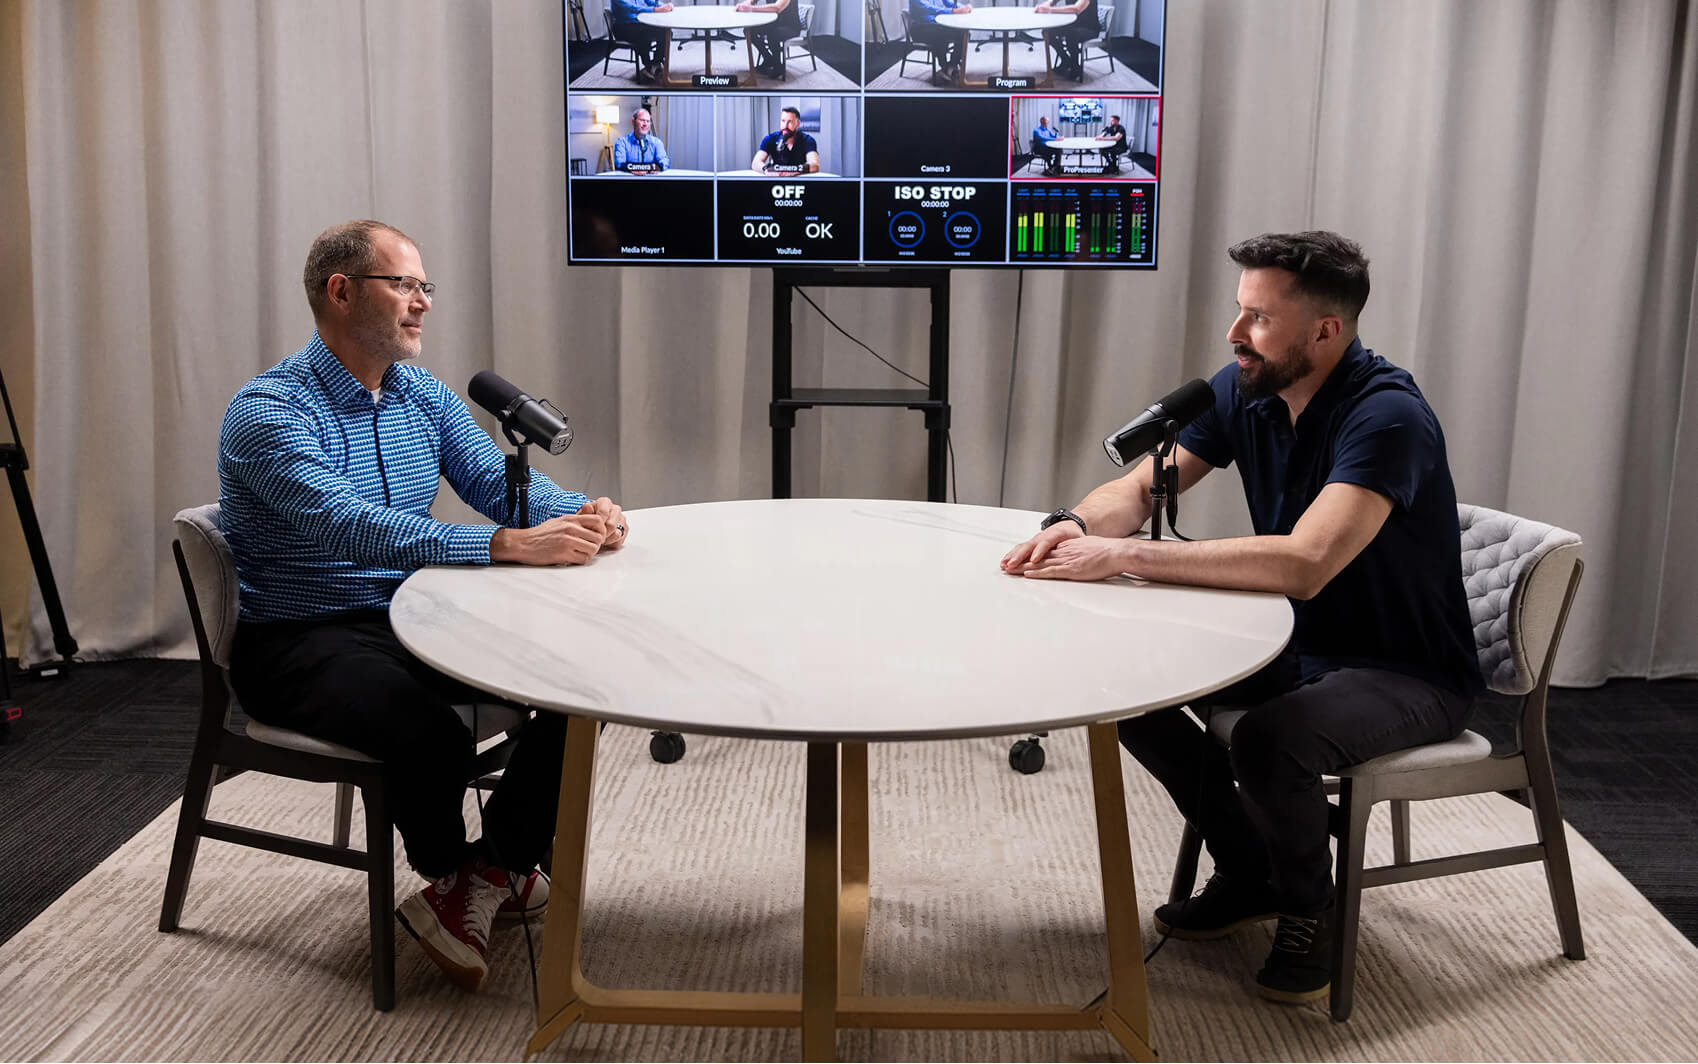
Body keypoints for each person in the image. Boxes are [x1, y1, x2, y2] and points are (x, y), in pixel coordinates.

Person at [1000, 231, 1482, 1005]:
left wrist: (1125, 558)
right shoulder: (1245, 388)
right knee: (1124, 689)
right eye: (1239, 311)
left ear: (1324, 331)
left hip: (1404, 669)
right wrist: (1079, 527)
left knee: (1268, 739)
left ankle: (1310, 907)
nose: (1234, 333)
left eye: (1258, 318)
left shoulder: (1388, 416)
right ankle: (1252, 865)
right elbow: (1141, 490)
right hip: (1292, 644)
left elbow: (1305, 564)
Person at [220, 220, 631, 992]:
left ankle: (486, 873)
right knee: (430, 733)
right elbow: (350, 525)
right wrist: (505, 546)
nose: (423, 302)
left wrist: (582, 514)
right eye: (404, 284)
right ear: (342, 292)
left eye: (425, 286)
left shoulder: (420, 393)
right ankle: (453, 872)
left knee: (586, 680)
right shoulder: (269, 411)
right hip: (298, 639)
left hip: (410, 616)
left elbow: (495, 479)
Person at [907, 0, 972, 86]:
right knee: (940, 35)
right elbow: (929, 8)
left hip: (935, 25)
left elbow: (947, 2)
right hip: (920, 29)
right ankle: (944, 66)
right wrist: (953, 11)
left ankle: (952, 64)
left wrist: (963, 7)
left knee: (964, 34)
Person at [610, 0, 674, 84]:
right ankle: (648, 65)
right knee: (643, 34)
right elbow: (632, 8)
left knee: (666, 32)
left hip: (638, 23)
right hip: (624, 27)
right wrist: (655, 9)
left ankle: (656, 63)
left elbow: (649, 1)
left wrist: (665, 6)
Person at [739, 0, 803, 79]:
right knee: (749, 30)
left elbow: (777, 8)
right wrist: (746, 4)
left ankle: (778, 66)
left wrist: (751, 8)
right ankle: (768, 58)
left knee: (774, 34)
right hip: (775, 22)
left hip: (790, 26)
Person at [1035, 0, 1098, 81]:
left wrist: (1049, 9)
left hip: (1089, 28)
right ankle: (1065, 59)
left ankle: (1075, 66)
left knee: (1072, 34)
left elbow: (1076, 9)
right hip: (1073, 25)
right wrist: (1047, 4)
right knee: (1048, 32)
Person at [750, 105, 821, 173]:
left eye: (790, 122)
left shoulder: (808, 140)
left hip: (799, 178)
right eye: (783, 121)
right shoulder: (770, 138)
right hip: (777, 178)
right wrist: (766, 169)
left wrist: (795, 170)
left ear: (797, 124)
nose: (785, 126)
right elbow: (755, 163)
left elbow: (815, 165)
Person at [612, 107, 670, 173]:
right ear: (633, 121)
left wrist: (656, 168)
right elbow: (619, 163)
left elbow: (665, 162)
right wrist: (634, 169)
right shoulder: (622, 142)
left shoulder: (657, 142)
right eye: (642, 120)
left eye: (648, 121)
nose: (645, 124)